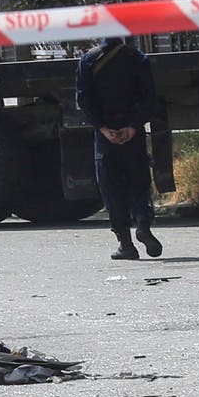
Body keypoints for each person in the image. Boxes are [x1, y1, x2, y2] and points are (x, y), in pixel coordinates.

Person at [74, 34, 162, 259]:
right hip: (133, 132)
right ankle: (143, 225)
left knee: (111, 187)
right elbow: (149, 96)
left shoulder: (88, 60)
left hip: (106, 135)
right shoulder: (137, 58)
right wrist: (133, 126)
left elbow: (83, 98)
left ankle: (126, 244)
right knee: (138, 181)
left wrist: (103, 128)